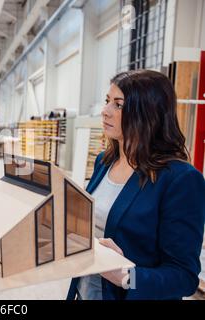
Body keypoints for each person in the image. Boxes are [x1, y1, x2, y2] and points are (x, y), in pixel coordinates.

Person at [67, 69, 205, 300]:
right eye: (107, 101)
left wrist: (125, 275)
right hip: (85, 291)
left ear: (148, 112)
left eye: (118, 105)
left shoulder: (180, 179)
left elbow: (184, 276)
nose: (105, 111)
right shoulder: (105, 161)